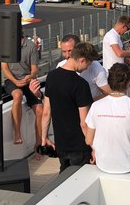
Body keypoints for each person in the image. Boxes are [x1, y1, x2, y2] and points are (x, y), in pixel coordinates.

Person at [34, 42, 98, 173]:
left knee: (64, 177)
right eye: (88, 63)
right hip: (80, 146)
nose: (87, 67)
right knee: (80, 181)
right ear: (81, 60)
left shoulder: (51, 76)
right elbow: (83, 123)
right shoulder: (81, 85)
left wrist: (44, 138)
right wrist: (94, 147)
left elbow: (46, 112)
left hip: (61, 144)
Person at [85, 63, 130, 173]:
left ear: (109, 81)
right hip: (129, 165)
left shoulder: (95, 106)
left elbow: (88, 140)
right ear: (129, 81)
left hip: (103, 164)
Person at [1, 37, 41, 149]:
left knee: (40, 109)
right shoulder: (6, 46)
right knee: (17, 95)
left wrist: (30, 77)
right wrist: (15, 81)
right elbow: (4, 68)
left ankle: (38, 143)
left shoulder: (31, 46)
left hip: (28, 78)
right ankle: (17, 132)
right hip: (12, 79)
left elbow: (34, 70)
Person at [57, 34, 110, 101]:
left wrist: (87, 103)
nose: (67, 55)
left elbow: (108, 93)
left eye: (70, 51)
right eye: (64, 51)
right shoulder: (60, 66)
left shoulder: (95, 67)